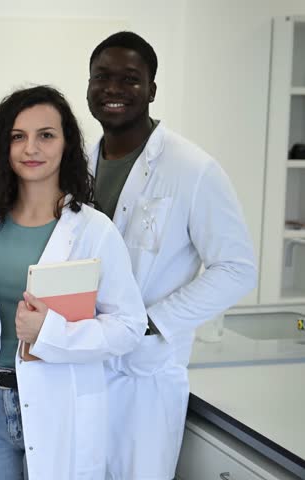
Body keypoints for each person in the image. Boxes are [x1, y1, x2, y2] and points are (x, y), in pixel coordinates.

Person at [85, 31, 258, 480]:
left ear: (152, 90)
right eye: (102, 77)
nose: (113, 90)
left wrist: (151, 322)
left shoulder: (192, 168)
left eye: (130, 79)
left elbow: (237, 269)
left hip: (145, 375)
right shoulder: (79, 163)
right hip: (83, 366)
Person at [0, 85, 147, 479]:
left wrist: (51, 332)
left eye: (46, 135)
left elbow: (129, 327)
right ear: (3, 148)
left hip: (59, 399)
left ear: (66, 145)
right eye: (18, 137)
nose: (31, 148)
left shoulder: (94, 231)